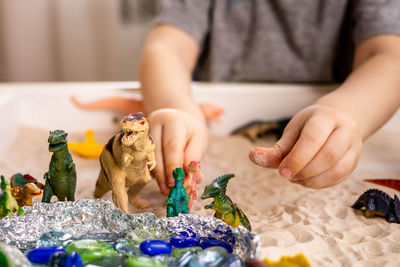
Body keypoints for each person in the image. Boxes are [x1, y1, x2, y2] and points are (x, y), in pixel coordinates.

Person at [139, 0, 400, 195]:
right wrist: (180, 109)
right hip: (223, 120)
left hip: (341, 116)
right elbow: (167, 47)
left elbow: (389, 57)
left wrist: (345, 112)